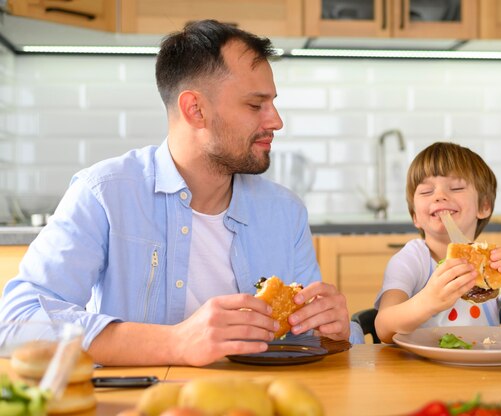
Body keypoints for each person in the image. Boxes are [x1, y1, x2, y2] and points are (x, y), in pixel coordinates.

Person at [0, 19, 362, 366]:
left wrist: (333, 331)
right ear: (195, 109)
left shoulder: (285, 211)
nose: (276, 121)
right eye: (255, 105)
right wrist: (176, 342)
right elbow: (15, 323)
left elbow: (310, 342)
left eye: (272, 103)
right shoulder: (104, 195)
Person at [374, 142, 501, 343]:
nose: (440, 196)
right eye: (427, 191)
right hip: (421, 371)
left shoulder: (492, 265)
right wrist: (428, 301)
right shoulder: (411, 260)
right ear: (415, 216)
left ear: (484, 206)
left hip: (483, 370)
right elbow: (384, 328)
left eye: (457, 187)